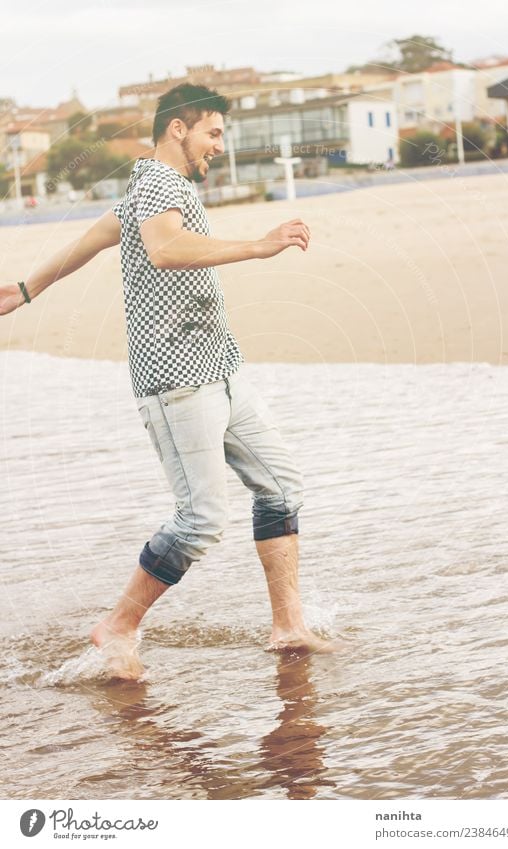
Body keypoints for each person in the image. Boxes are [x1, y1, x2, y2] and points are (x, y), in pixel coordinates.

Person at [0, 83, 336, 680]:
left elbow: (88, 242)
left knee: (280, 487)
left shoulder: (148, 190)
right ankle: (119, 626)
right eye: (213, 133)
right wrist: (260, 246)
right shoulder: (158, 183)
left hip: (220, 370)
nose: (218, 147)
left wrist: (25, 289)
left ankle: (288, 625)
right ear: (178, 129)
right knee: (201, 517)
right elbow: (164, 250)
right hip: (178, 380)